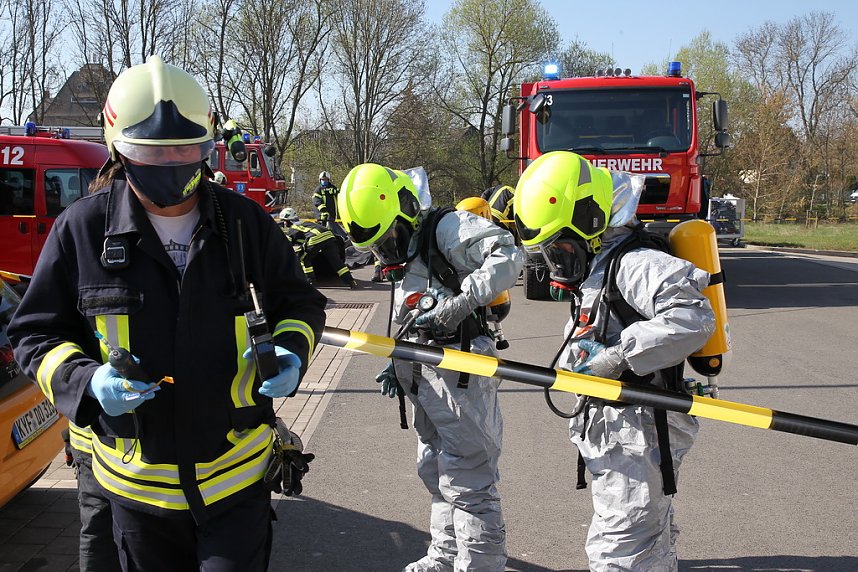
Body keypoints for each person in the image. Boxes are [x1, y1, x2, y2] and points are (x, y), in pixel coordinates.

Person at [8, 55, 327, 571]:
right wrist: (88, 381)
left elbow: (300, 303)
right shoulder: (82, 230)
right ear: (118, 148)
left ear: (207, 146)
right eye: (151, 151)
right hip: (137, 494)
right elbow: (34, 333)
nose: (171, 162)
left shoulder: (245, 224)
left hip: (236, 483)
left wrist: (292, 350)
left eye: (185, 147)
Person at [513, 151, 716, 571]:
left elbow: (694, 318)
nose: (557, 263)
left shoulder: (636, 262)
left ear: (589, 223)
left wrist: (619, 355)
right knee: (646, 535)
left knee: (620, 546)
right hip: (619, 426)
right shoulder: (601, 262)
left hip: (639, 425)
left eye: (561, 249)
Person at [338, 163, 524, 572]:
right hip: (424, 373)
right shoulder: (409, 250)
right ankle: (445, 554)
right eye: (377, 247)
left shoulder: (447, 228)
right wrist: (397, 360)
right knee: (436, 470)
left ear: (406, 210)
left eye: (389, 239)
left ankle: (480, 565)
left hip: (460, 371)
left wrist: (461, 303)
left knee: (469, 479)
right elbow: (409, 309)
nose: (386, 252)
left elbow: (509, 253)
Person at [279, 207, 358, 289]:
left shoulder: (293, 228)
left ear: (287, 220)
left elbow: (286, 244)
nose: (283, 224)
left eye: (283, 221)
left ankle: (310, 282)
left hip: (316, 237)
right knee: (336, 261)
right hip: (329, 236)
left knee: (304, 259)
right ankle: (350, 281)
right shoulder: (306, 222)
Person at [312, 170, 348, 240]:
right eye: (323, 179)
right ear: (320, 180)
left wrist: (336, 191)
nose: (324, 181)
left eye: (326, 179)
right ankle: (343, 237)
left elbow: (339, 192)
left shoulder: (332, 187)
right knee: (324, 229)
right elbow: (316, 201)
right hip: (322, 215)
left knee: (331, 227)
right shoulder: (318, 190)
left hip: (331, 214)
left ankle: (341, 238)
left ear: (328, 180)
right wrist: (323, 210)